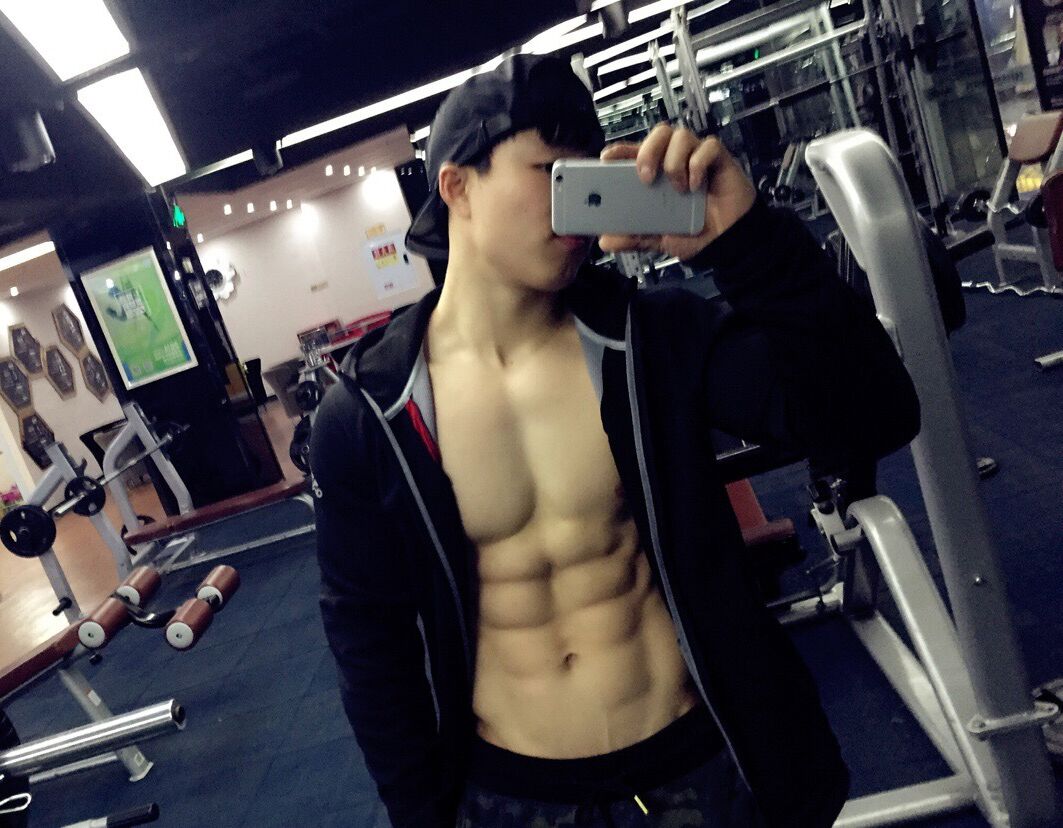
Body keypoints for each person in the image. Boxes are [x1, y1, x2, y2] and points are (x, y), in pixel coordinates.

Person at [311, 54, 919, 828]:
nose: (574, 212)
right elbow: (371, 646)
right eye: (549, 175)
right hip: (512, 797)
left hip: (699, 765)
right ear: (456, 186)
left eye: (586, 178)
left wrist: (747, 243)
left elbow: (875, 414)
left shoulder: (655, 338)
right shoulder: (370, 411)